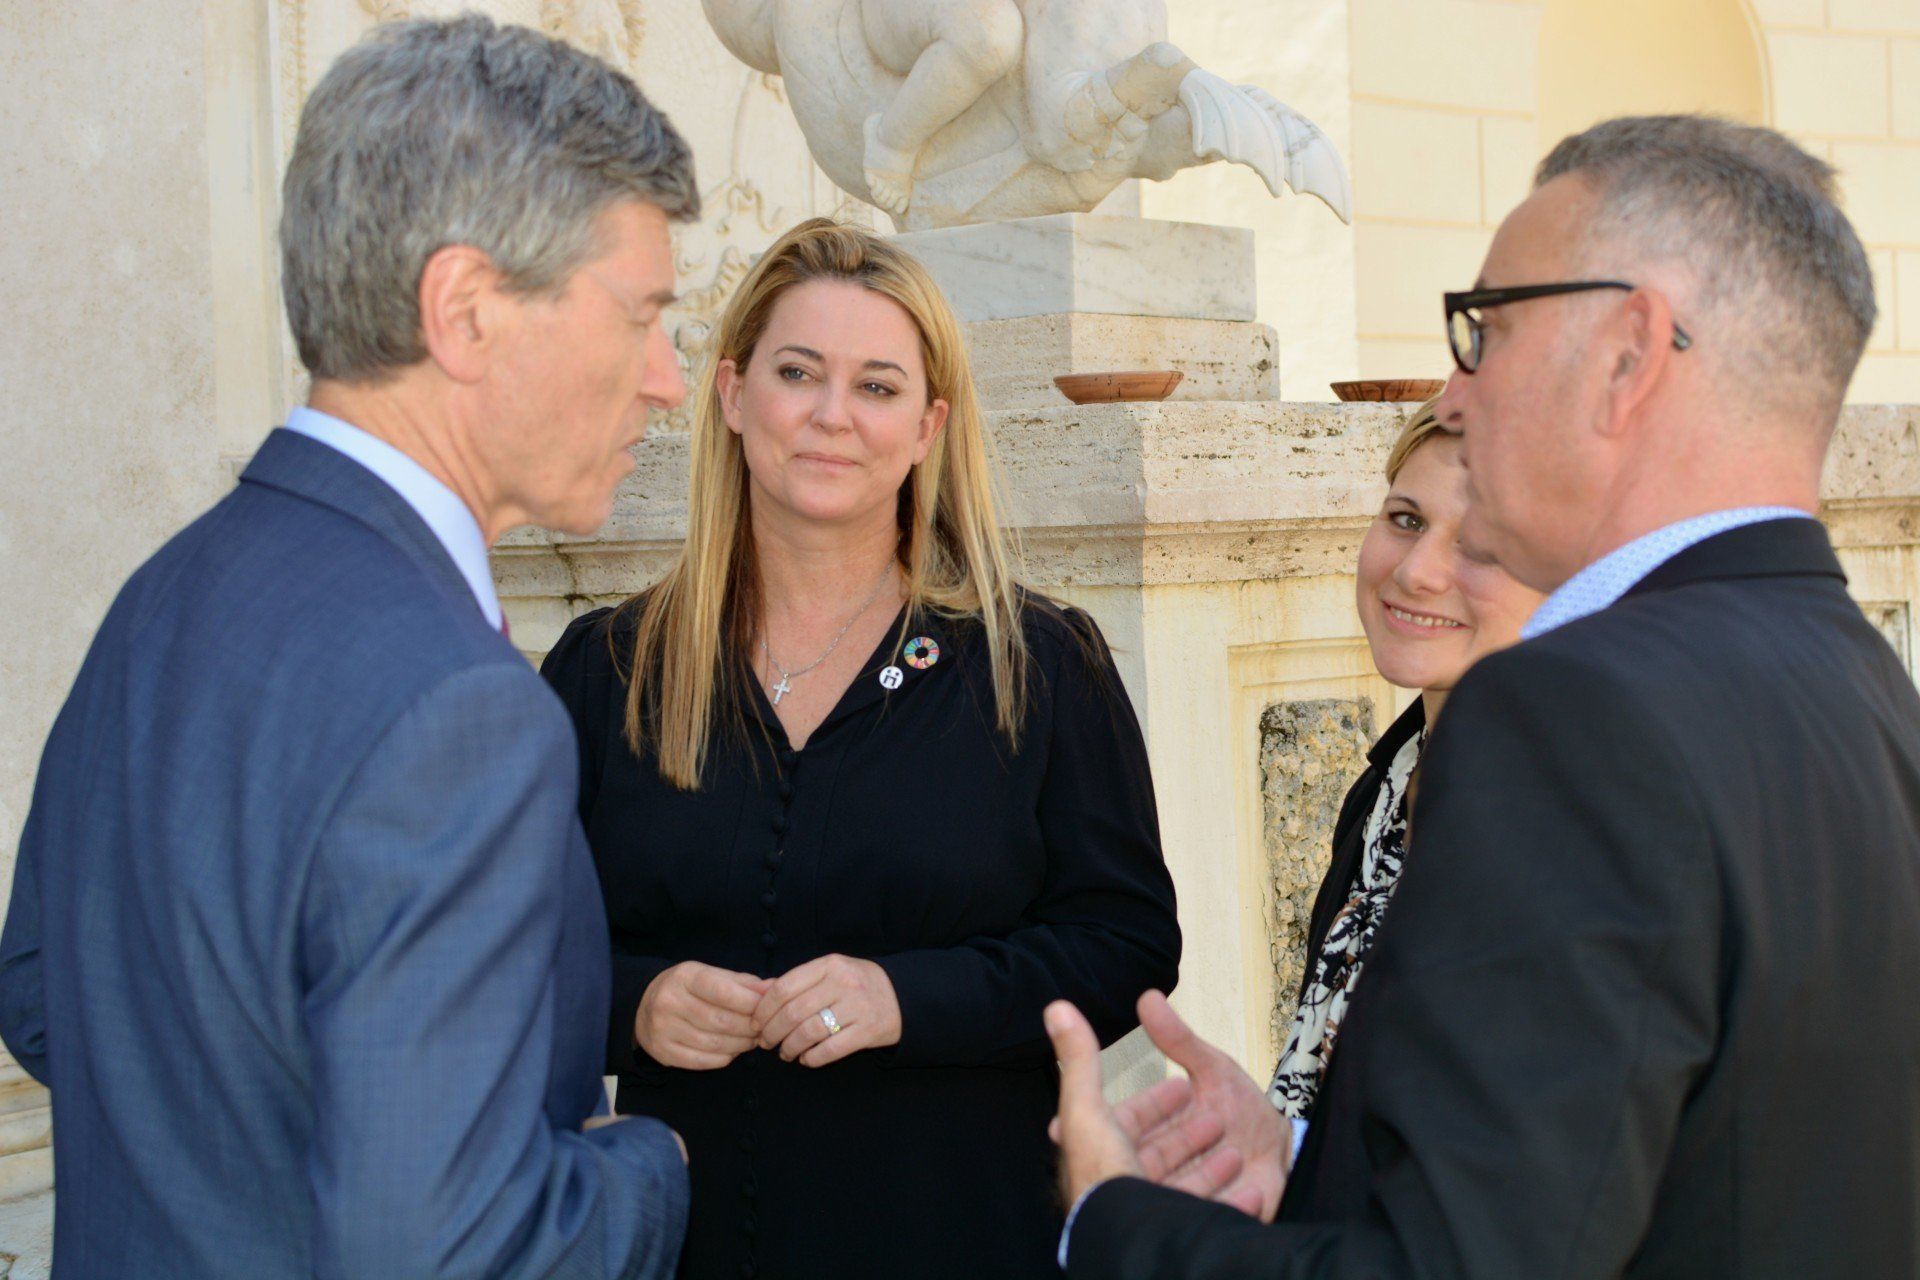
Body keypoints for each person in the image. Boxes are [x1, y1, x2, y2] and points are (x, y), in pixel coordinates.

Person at [1047, 114, 1920, 1279]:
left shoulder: (1573, 714)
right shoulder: (1862, 683)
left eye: (1486, 329)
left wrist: (1112, 1221)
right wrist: (1304, 1153)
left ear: (1629, 357)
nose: (1455, 392)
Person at [0, 16, 699, 1277]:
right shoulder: (459, 709)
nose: (668, 375)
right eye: (641, 311)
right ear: (467, 309)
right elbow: (451, 1249)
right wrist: (646, 1167)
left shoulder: (161, 595)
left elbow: (50, 998)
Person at [539, 216, 1181, 1280]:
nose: (834, 416)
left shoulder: (1038, 663)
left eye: (878, 386)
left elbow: (1126, 944)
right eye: (800, 373)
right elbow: (510, 956)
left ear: (929, 426)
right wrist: (635, 1004)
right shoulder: (606, 668)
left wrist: (909, 997)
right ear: (736, 395)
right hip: (684, 1244)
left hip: (961, 1235)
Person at [1267, 398, 1540, 1135]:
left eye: (1481, 545)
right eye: (1406, 519)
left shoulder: (1573, 822)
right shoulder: (1389, 787)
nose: (1417, 572)